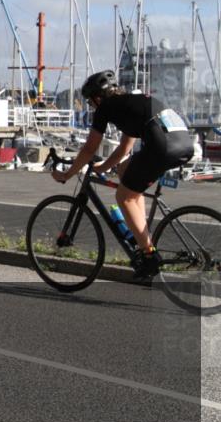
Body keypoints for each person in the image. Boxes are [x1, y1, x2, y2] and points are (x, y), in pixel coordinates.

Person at [52, 70, 194, 279]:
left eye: (91, 103)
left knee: (123, 196)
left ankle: (148, 255)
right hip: (183, 144)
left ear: (98, 98)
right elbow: (124, 147)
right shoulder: (131, 102)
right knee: (124, 171)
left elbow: (90, 148)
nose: (92, 107)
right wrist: (103, 168)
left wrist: (68, 174)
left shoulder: (106, 108)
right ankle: (140, 235)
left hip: (162, 147)